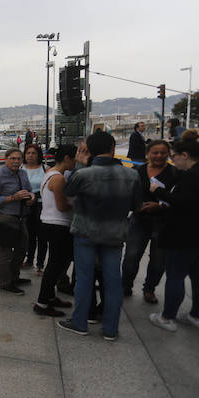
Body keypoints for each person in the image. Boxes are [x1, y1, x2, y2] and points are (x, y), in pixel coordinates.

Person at [58, 132, 142, 340]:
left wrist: (79, 165)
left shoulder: (84, 174)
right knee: (113, 281)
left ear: (90, 150)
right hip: (115, 234)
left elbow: (69, 194)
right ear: (113, 147)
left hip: (86, 232)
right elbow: (136, 205)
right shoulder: (132, 175)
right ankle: (111, 328)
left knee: (84, 279)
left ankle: (80, 322)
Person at [148, 139, 199, 332]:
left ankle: (167, 317)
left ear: (185, 155)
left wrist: (159, 192)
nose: (173, 161)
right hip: (198, 235)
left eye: (174, 156)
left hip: (183, 234)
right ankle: (197, 314)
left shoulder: (191, 176)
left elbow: (183, 202)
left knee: (175, 275)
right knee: (198, 275)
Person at [120, 140, 177, 304]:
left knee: (158, 260)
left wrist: (160, 206)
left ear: (168, 154)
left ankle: (149, 288)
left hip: (164, 222)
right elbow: (127, 192)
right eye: (155, 152)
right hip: (139, 220)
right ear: (147, 154)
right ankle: (125, 285)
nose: (159, 156)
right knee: (131, 256)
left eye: (163, 153)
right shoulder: (137, 171)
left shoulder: (175, 173)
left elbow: (179, 198)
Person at [35, 145, 78, 317]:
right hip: (57, 225)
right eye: (75, 158)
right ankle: (42, 303)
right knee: (55, 265)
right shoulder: (59, 178)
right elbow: (62, 206)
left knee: (55, 263)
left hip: (49, 223)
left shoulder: (50, 173)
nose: (76, 162)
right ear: (67, 158)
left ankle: (50, 297)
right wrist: (77, 203)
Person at [0, 149, 34, 295]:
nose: (16, 161)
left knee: (21, 250)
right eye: (13, 158)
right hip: (6, 218)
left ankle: (14, 277)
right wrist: (13, 197)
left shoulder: (23, 173)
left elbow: (30, 191)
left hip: (22, 218)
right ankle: (5, 283)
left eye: (19, 159)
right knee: (5, 253)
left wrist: (30, 198)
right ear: (6, 159)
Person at [21, 144, 48, 275]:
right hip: (25, 204)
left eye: (33, 153)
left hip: (41, 205)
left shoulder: (45, 169)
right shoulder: (20, 169)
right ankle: (29, 259)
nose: (30, 155)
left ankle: (41, 264)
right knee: (29, 235)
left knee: (42, 235)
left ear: (38, 155)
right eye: (28, 153)